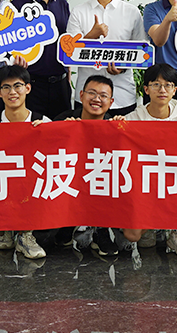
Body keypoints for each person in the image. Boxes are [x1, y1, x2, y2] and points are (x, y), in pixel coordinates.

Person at [121, 64, 177, 259]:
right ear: (146, 90)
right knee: (132, 235)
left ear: (174, 90)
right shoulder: (131, 119)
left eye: (167, 85)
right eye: (156, 84)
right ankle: (151, 226)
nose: (162, 90)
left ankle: (176, 231)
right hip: (144, 183)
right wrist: (115, 127)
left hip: (174, 182)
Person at [0, 65, 47, 259]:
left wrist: (49, 135)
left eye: (18, 86)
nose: (12, 92)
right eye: (6, 87)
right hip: (2, 187)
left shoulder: (43, 123)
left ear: (28, 88)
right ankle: (5, 229)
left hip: (31, 191)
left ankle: (26, 234)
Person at [66, 0, 146, 115]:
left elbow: (142, 51)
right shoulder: (78, 12)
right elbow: (69, 52)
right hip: (87, 98)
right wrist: (91, 36)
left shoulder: (131, 12)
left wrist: (123, 66)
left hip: (122, 95)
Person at [53, 76, 125, 256]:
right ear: (81, 95)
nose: (96, 99)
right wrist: (63, 133)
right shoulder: (63, 120)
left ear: (111, 102)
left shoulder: (114, 125)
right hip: (71, 183)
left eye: (103, 96)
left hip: (100, 183)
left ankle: (101, 229)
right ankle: (68, 222)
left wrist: (122, 130)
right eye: (91, 93)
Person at [11, 0, 72, 117]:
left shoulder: (61, 3)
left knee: (62, 128)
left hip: (60, 84)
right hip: (31, 85)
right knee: (34, 130)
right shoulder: (15, 7)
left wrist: (68, 75)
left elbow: (67, 40)